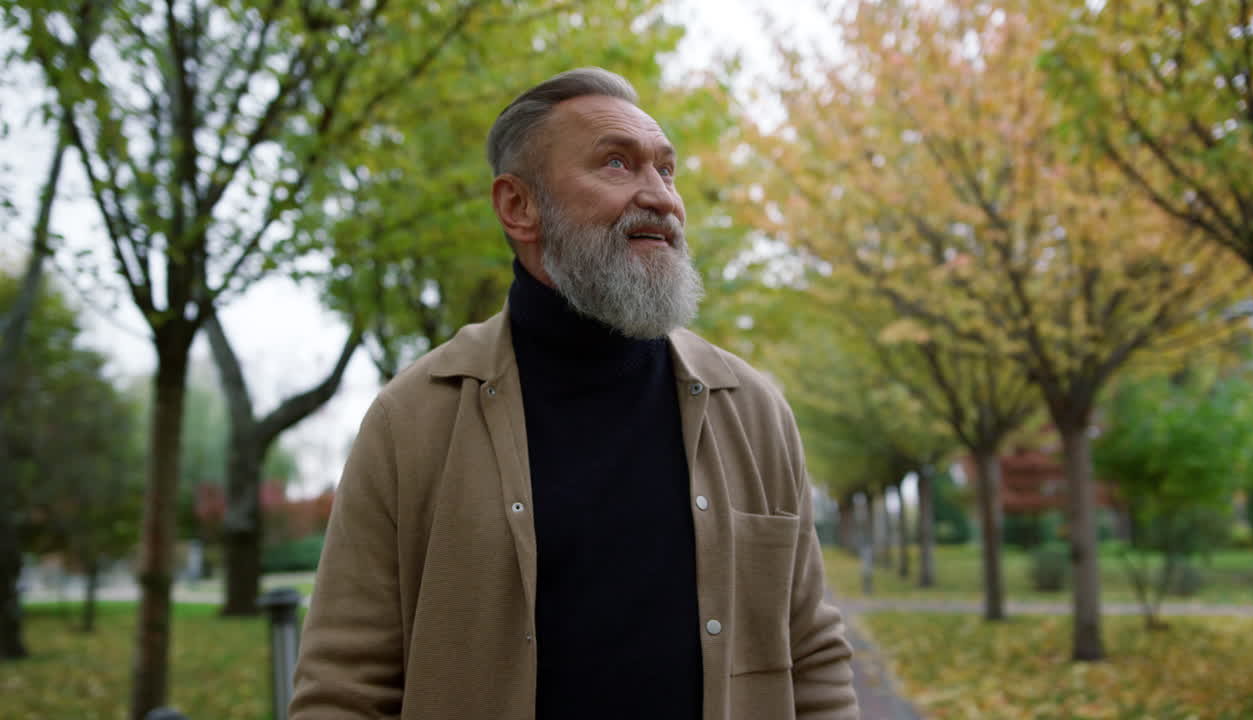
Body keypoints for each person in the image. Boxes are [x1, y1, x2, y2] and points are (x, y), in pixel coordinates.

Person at [290, 67, 859, 720]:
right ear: (519, 207)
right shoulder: (411, 420)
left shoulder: (754, 411)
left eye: (666, 171)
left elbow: (812, 653)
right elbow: (344, 689)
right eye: (617, 164)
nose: (661, 198)